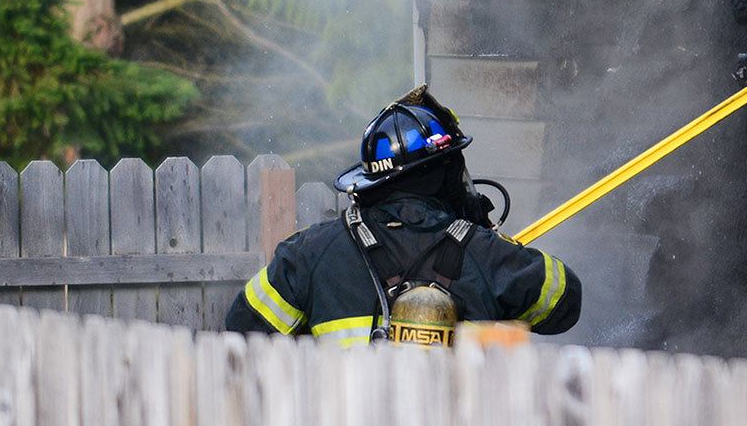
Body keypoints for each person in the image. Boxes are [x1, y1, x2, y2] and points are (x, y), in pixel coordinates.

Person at [224, 86, 581, 343]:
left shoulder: (308, 254)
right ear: (442, 172)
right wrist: (495, 247)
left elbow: (241, 332)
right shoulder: (486, 252)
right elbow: (565, 302)